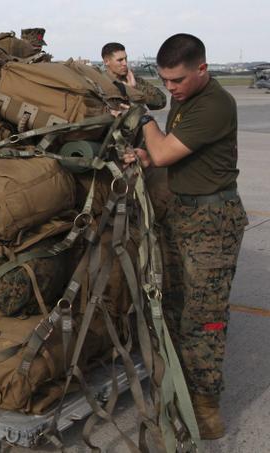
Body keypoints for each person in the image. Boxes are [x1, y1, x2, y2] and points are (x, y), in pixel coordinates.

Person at [124, 33, 247, 439]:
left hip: (212, 223)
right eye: (164, 80)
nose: (169, 89)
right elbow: (168, 154)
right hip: (182, 214)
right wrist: (146, 154)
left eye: (176, 80)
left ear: (202, 69)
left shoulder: (214, 104)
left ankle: (207, 411)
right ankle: (180, 392)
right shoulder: (185, 97)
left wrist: (143, 120)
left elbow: (161, 152)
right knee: (174, 309)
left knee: (205, 319)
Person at [101, 42, 167, 110]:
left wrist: (135, 88)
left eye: (125, 59)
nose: (125, 63)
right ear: (106, 61)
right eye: (120, 60)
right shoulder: (98, 83)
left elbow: (162, 101)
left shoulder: (133, 79)